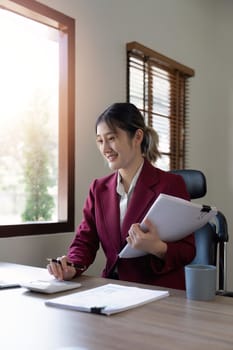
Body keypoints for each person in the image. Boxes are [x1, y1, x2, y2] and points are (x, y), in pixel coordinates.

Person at [47, 102, 195, 290]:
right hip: (113, 289)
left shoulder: (170, 184)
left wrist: (157, 247)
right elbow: (85, 241)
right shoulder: (98, 188)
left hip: (158, 293)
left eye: (111, 138)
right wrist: (72, 266)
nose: (105, 148)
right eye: (100, 141)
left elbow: (188, 250)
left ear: (137, 137)